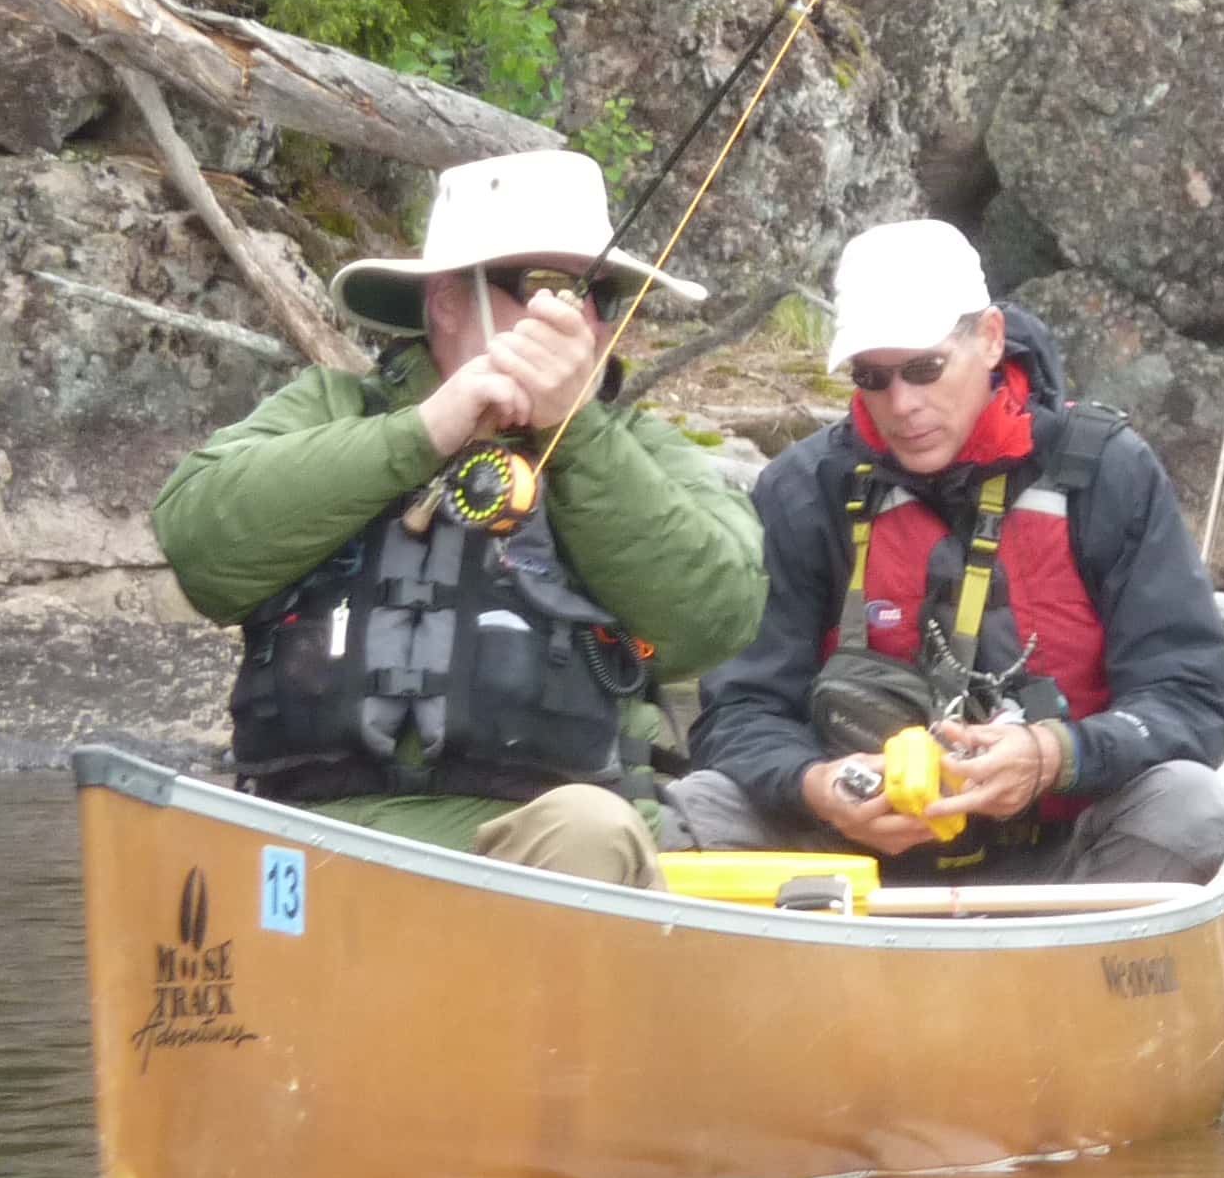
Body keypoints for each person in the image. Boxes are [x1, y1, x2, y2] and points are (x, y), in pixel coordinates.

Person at [152, 149, 765, 886]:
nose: (580, 324)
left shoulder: (640, 452)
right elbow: (198, 544)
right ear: (445, 300)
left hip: (547, 848)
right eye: (545, 290)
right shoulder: (325, 409)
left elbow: (715, 618)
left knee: (591, 828)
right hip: (308, 848)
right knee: (164, 824)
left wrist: (577, 438)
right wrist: (424, 432)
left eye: (600, 297)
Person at [663, 218, 1224, 886]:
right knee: (690, 811)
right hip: (854, 862)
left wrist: (1053, 755)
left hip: (1068, 858)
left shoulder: (1107, 472)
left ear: (990, 339)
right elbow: (739, 713)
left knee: (1194, 808)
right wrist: (816, 784)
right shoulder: (802, 490)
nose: (901, 404)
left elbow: (1190, 702)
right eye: (873, 378)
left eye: (924, 368)